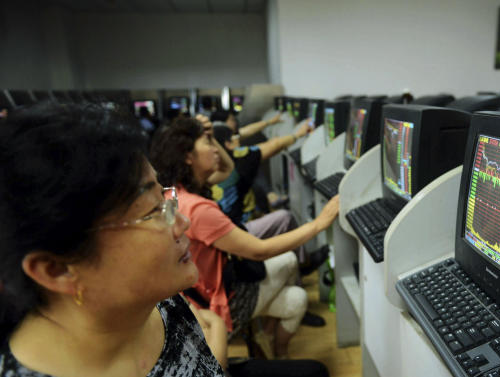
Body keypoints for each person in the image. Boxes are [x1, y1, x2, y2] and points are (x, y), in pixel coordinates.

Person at [0, 102, 330, 377]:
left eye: (166, 201)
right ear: (57, 269)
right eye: (153, 212)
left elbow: (207, 326)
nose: (181, 222)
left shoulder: (161, 300)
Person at [149, 117, 339, 359]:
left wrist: (210, 136)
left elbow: (228, 169)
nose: (215, 149)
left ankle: (273, 346)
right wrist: (319, 224)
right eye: (207, 142)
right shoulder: (198, 209)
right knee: (290, 261)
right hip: (222, 303)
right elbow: (259, 250)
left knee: (297, 299)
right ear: (188, 156)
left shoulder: (178, 192)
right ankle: (274, 347)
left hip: (207, 292)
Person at [210, 118, 330, 278]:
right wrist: (298, 135)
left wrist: (269, 122)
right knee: (285, 218)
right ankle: (303, 264)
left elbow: (245, 131)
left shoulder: (206, 171)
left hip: (228, 233)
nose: (238, 139)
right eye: (234, 138)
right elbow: (273, 146)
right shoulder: (239, 159)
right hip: (237, 233)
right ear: (228, 144)